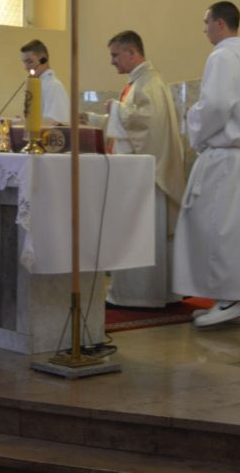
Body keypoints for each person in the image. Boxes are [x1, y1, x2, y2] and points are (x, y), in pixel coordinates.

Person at [172, 1, 240, 328]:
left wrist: (193, 117)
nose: (203, 28)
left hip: (225, 158)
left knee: (218, 230)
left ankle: (229, 299)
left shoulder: (221, 57)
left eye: (206, 22)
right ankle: (226, 297)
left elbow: (217, 105)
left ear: (220, 23)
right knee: (234, 231)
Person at [85, 31, 186, 308]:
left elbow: (147, 124)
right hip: (135, 175)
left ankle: (141, 295)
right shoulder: (140, 82)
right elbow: (130, 125)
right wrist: (95, 118)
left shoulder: (149, 83)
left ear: (132, 52)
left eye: (116, 55)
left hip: (144, 179)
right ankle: (145, 292)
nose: (112, 62)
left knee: (139, 231)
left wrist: (116, 111)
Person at [20, 39, 70, 124]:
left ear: (43, 59)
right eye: (24, 62)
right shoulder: (37, 85)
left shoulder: (53, 87)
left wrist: (23, 123)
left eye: (29, 62)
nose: (25, 67)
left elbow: (56, 124)